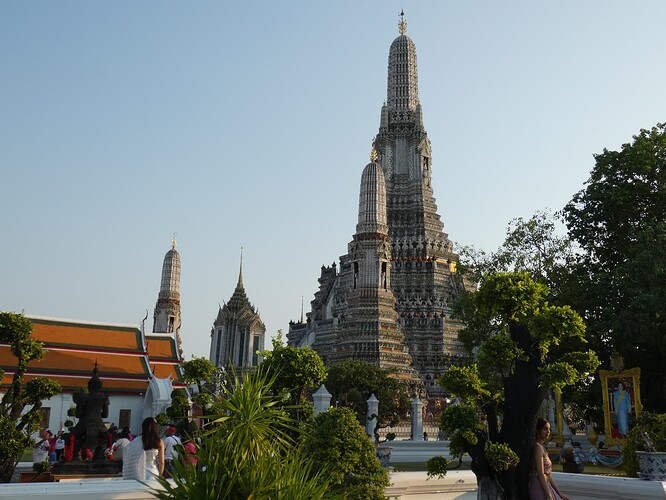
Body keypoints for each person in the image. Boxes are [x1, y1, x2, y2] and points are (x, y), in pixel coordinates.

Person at [528, 418, 569, 500]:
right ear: (538, 430)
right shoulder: (537, 447)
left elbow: (547, 475)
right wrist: (548, 495)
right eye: (545, 429)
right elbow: (540, 473)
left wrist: (559, 494)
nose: (548, 432)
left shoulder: (542, 447)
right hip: (538, 484)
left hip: (545, 484)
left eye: (549, 429)